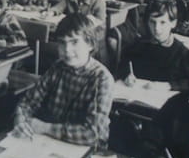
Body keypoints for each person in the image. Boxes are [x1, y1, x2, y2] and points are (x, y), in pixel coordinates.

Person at [13, 13, 114, 147]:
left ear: (90, 44)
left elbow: (93, 134)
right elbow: (28, 102)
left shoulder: (102, 79)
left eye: (74, 42)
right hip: (49, 142)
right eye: (62, 42)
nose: (67, 50)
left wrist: (44, 128)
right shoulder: (57, 67)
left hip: (83, 149)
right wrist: (20, 120)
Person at [118, 0, 188, 90]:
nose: (156, 28)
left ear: (173, 23)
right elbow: (123, 64)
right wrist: (126, 75)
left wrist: (168, 85)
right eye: (152, 22)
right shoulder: (138, 44)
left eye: (162, 22)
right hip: (137, 94)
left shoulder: (182, 53)